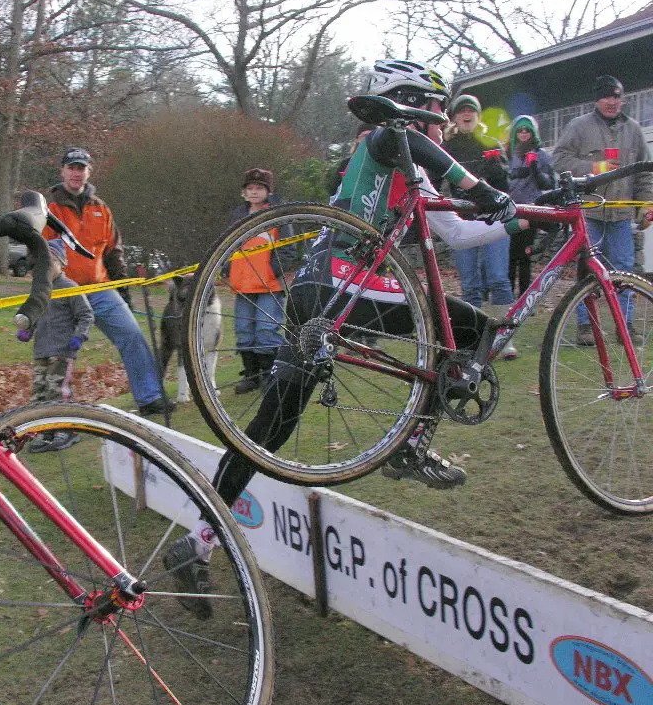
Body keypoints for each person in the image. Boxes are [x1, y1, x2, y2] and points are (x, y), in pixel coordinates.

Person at [163, 59, 529, 617]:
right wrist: (480, 186)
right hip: (346, 285)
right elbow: (442, 167)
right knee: (471, 326)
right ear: (407, 104)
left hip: (318, 293)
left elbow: (456, 230)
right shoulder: (385, 140)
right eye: (433, 110)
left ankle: (196, 542)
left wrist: (521, 219)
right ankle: (410, 444)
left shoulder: (409, 163)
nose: (439, 123)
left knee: (272, 425)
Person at [43, 148, 172, 417]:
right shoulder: (50, 208)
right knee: (62, 353)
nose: (76, 173)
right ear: (62, 171)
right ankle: (65, 414)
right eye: (72, 167)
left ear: (88, 172)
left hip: (101, 289)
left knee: (132, 335)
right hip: (65, 292)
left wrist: (121, 287)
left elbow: (114, 251)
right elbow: (45, 254)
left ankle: (150, 398)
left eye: (82, 168)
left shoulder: (101, 208)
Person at [553, 75, 653, 345]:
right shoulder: (579, 126)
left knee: (625, 272)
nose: (612, 102)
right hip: (590, 214)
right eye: (607, 96)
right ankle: (587, 328)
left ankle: (625, 327)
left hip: (621, 217)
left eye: (617, 96)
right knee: (588, 271)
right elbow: (559, 159)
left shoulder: (633, 130)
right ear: (597, 100)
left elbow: (644, 173)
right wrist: (594, 169)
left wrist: (646, 205)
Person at [443, 93, 518, 358]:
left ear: (477, 115)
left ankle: (504, 339)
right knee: (471, 286)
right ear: (454, 117)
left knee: (499, 279)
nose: (467, 114)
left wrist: (496, 165)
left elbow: (506, 186)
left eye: (471, 110)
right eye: (462, 110)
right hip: (462, 220)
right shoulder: (446, 147)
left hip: (495, 219)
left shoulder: (492, 143)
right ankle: (474, 339)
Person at [20, 239, 94, 452]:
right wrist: (27, 329)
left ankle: (67, 430)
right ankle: (45, 432)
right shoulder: (40, 291)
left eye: (51, 262)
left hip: (62, 351)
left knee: (57, 392)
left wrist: (79, 337)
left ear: (61, 263)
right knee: (39, 394)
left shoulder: (70, 288)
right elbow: (33, 315)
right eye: (43, 264)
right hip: (41, 351)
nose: (47, 268)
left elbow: (86, 315)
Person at [227, 168, 292, 394]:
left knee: (266, 331)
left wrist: (270, 271)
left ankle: (269, 376)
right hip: (242, 284)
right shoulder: (237, 216)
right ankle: (252, 375)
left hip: (269, 286)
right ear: (244, 192)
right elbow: (226, 248)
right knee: (243, 330)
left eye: (259, 188)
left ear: (268, 191)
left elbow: (288, 249)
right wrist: (228, 270)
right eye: (250, 188)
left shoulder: (278, 215)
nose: (254, 192)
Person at [506, 115, 555, 298]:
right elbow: (501, 179)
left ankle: (525, 296)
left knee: (524, 255)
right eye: (520, 130)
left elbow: (550, 183)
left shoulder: (540, 155)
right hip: (510, 209)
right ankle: (508, 296)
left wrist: (535, 170)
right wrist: (514, 174)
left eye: (527, 130)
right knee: (510, 255)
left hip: (531, 208)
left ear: (533, 132)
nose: (524, 133)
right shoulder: (509, 153)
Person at [326, 122, 377, 194]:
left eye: (372, 136)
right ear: (357, 139)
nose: (368, 139)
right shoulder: (346, 164)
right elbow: (333, 189)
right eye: (365, 135)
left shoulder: (379, 164)